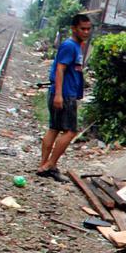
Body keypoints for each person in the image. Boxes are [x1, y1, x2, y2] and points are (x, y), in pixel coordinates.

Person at [38, 13, 92, 182]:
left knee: (54, 128)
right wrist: (59, 95)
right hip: (65, 94)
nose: (86, 32)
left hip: (63, 92)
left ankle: (43, 165)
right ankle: (50, 165)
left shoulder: (76, 46)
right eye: (82, 29)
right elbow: (60, 70)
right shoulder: (70, 46)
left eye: (88, 29)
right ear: (73, 28)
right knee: (70, 131)